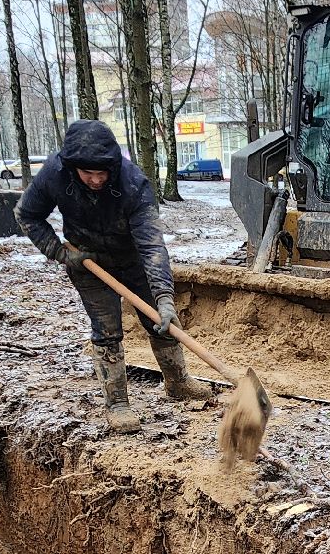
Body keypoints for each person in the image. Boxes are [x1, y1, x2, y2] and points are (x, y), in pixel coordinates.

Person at [16, 119, 211, 433]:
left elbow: (151, 244)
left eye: (101, 173)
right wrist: (61, 252)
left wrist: (163, 297)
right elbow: (26, 213)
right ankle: (117, 403)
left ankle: (178, 383)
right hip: (87, 262)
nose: (95, 180)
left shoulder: (133, 182)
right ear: (72, 168)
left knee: (161, 322)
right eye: (87, 174)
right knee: (107, 330)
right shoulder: (55, 173)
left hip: (132, 257)